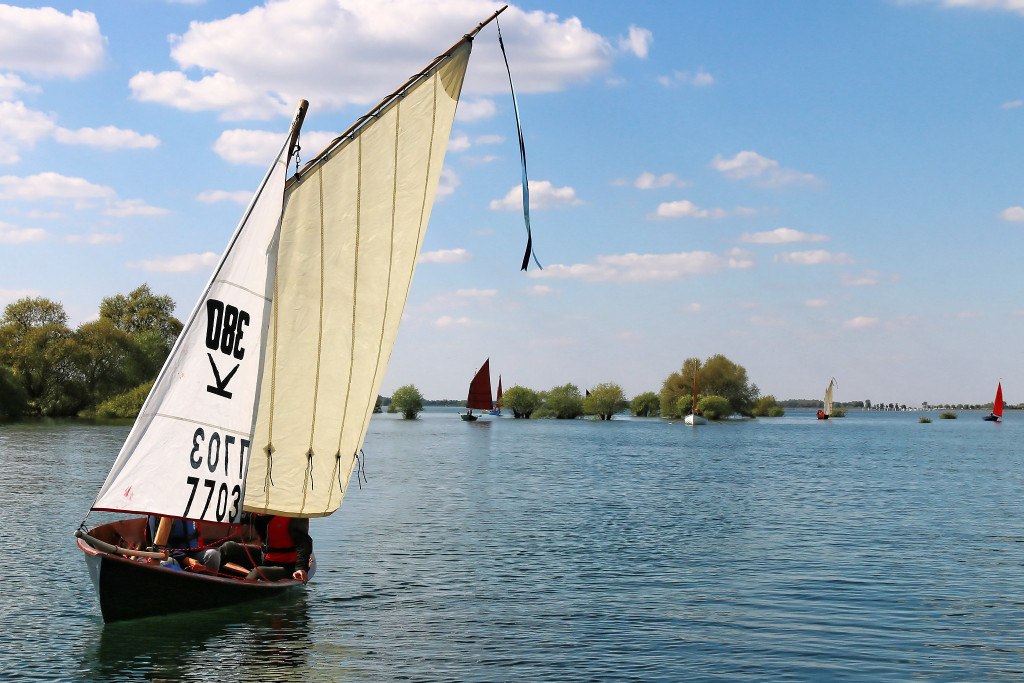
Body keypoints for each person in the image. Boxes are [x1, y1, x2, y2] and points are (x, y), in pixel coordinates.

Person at [219, 513, 312, 582]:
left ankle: (238, 592)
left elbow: (304, 544)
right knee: (228, 547)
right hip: (265, 557)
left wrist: (301, 568)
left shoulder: (294, 514)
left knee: (258, 572)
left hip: (287, 566)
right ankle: (208, 578)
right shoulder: (258, 511)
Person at [146, 516, 221, 573]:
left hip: (192, 554)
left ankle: (207, 589)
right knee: (169, 562)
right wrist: (186, 560)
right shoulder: (158, 514)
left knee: (213, 555)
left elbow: (195, 537)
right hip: (172, 557)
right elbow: (158, 547)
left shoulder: (190, 508)